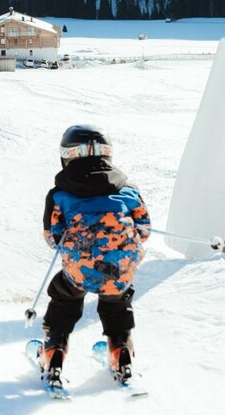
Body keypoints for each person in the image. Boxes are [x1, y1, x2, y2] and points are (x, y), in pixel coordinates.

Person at [38, 124, 150, 387]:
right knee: (116, 298)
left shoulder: (60, 195)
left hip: (80, 265)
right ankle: (120, 351)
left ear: (67, 155)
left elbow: (53, 236)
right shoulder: (128, 190)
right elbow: (143, 229)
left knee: (65, 297)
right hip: (121, 266)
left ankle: (53, 353)